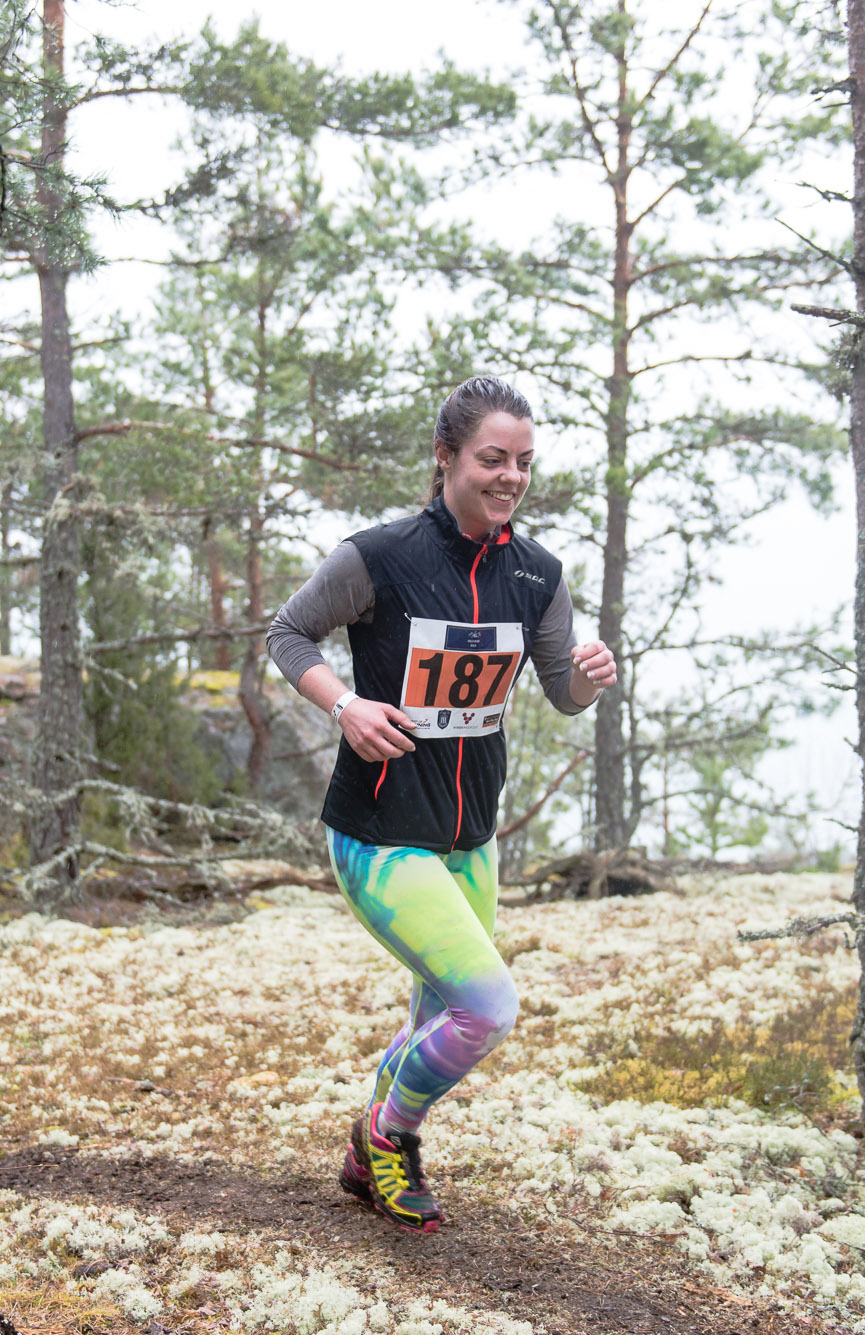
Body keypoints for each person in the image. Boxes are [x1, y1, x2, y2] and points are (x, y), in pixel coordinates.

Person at [265, 375, 617, 1233]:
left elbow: (564, 694)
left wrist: (587, 677)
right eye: (493, 458)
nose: (510, 477)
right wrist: (345, 705)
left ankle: (366, 1153)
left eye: (524, 463)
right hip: (381, 833)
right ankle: (390, 1136)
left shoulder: (536, 574)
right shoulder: (379, 557)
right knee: (487, 1007)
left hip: (469, 838)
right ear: (446, 456)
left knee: (436, 1013)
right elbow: (285, 633)